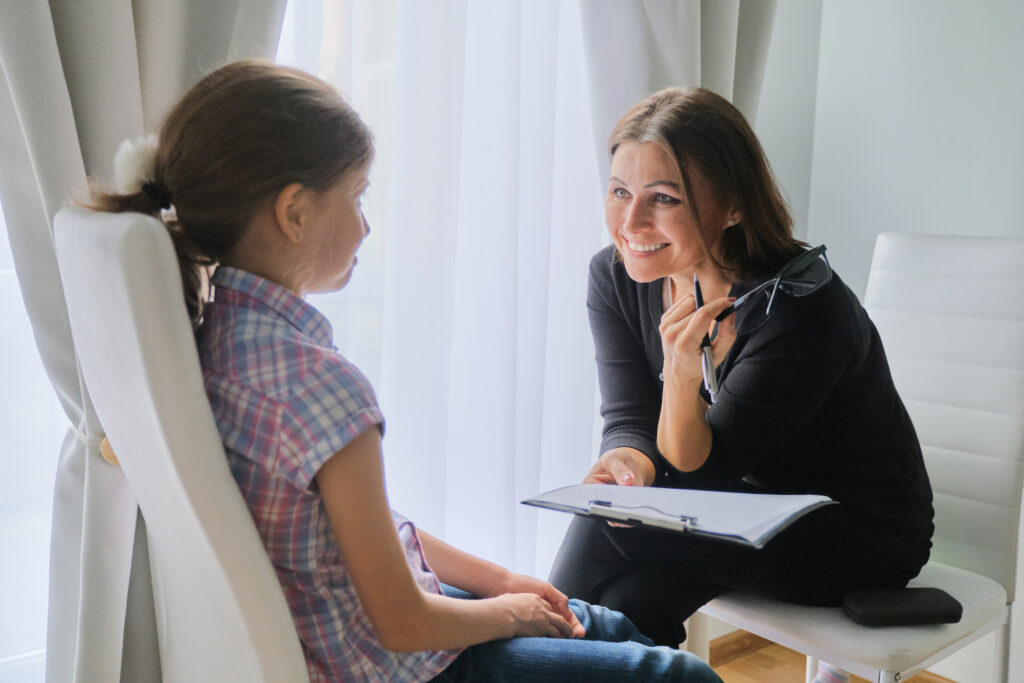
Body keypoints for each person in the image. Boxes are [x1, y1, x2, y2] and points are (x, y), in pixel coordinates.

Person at [87, 60, 722, 683]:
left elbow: (375, 534)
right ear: (295, 213)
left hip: (364, 641)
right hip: (398, 665)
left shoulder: (215, 342)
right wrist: (508, 613)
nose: (367, 225)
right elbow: (403, 623)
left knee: (599, 623)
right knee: (679, 675)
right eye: (356, 196)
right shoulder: (320, 387)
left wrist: (502, 583)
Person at [547, 86, 934, 683]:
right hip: (737, 511)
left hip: (852, 531)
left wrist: (681, 378)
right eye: (620, 191)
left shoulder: (803, 310)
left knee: (609, 527)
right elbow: (628, 417)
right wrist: (627, 462)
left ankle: (520, 654)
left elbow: (703, 481)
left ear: (732, 205)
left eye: (664, 198)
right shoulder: (616, 276)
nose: (630, 222)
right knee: (633, 598)